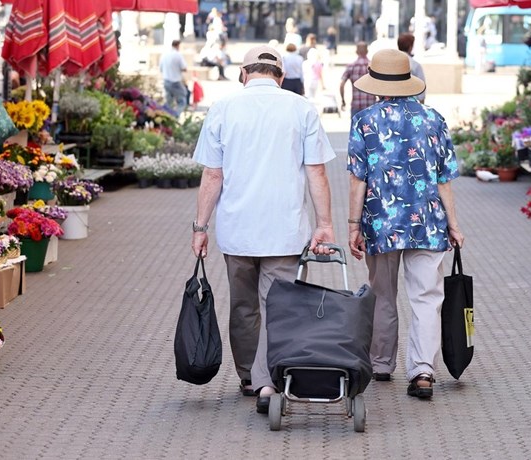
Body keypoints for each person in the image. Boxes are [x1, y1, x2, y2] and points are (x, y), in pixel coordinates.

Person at [191, 45, 336, 414]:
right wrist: (325, 224)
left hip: (237, 229)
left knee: (243, 305)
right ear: (281, 77)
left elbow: (212, 174)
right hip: (285, 229)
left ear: (243, 74)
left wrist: (200, 227)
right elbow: (316, 171)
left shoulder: (223, 108)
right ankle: (268, 379)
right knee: (280, 305)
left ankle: (248, 377)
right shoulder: (301, 108)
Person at [346, 49, 465, 399]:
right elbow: (444, 179)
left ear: (377, 85)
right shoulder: (433, 119)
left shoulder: (364, 121)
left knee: (383, 294)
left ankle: (382, 363)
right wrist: (454, 224)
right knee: (427, 297)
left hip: (381, 224)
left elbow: (358, 180)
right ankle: (423, 371)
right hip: (429, 223)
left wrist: (353, 226)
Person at [340, 42, 375, 119]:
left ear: (356, 52)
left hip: (356, 106)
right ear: (367, 51)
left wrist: (343, 100)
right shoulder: (373, 67)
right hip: (371, 105)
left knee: (356, 130)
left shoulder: (351, 66)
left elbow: (342, 84)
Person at [159, 39, 188, 117]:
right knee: (182, 101)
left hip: (166, 80)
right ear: (178, 46)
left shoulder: (164, 54)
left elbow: (160, 69)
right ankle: (175, 116)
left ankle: (168, 118)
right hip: (175, 81)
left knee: (169, 102)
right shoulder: (178, 55)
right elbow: (184, 68)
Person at [397, 33, 426, 104]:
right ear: (410, 47)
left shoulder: (391, 63)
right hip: (411, 104)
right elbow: (421, 89)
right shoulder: (415, 65)